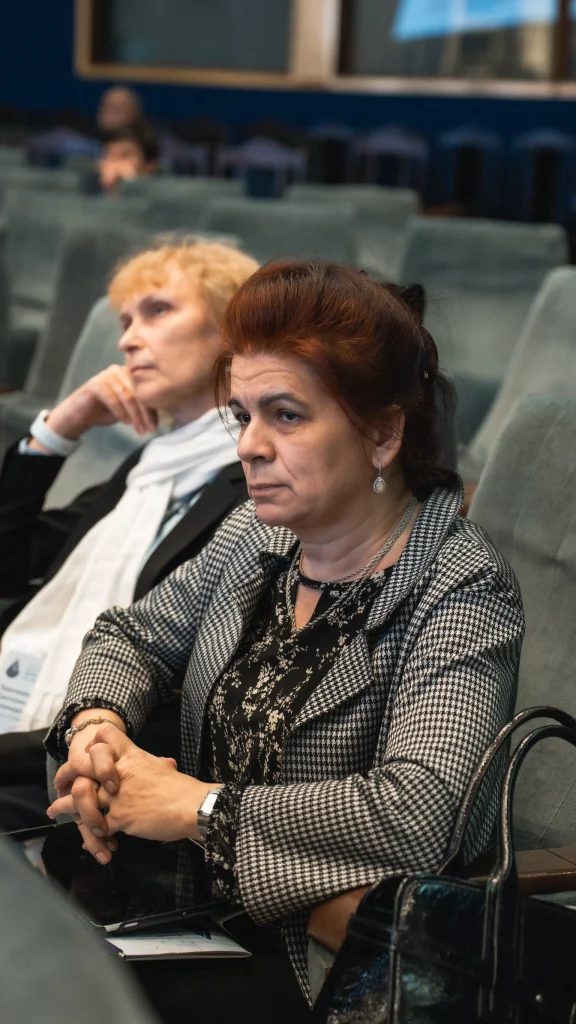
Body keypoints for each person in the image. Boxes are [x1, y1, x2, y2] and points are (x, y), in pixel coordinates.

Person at [45, 262, 524, 1016]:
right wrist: (97, 727)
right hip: (190, 911)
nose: (249, 446)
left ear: (383, 433)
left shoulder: (461, 584)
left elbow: (421, 811)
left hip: (325, 968)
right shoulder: (256, 537)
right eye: (242, 415)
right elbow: (131, 636)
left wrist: (200, 808)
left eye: (287, 416)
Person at [0, 239, 259, 829]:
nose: (128, 340)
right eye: (125, 322)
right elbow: (8, 565)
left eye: (158, 311)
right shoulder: (148, 469)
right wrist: (58, 430)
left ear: (231, 331)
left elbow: (179, 690)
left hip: (102, 766)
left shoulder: (259, 487)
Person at [98, 120, 159, 194]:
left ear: (149, 165)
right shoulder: (89, 189)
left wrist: (131, 184)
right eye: (110, 155)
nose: (115, 164)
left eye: (125, 156)